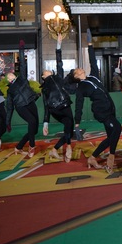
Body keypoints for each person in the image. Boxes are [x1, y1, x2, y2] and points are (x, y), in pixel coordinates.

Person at [74, 29, 120, 173]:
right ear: (76, 75)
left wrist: (90, 45)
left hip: (110, 107)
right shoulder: (80, 87)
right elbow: (79, 104)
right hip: (102, 111)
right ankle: (97, 157)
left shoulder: (93, 77)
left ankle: (109, 158)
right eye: (78, 69)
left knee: (112, 134)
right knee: (117, 129)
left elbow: (93, 61)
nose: (81, 68)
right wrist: (77, 122)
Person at [41, 34, 75, 163]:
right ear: (43, 77)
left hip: (64, 105)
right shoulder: (45, 87)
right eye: (45, 72)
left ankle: (55, 149)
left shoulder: (58, 77)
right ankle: (69, 148)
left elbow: (59, 62)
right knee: (69, 127)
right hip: (57, 108)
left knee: (69, 129)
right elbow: (45, 105)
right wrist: (45, 123)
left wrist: (58, 45)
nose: (47, 71)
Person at [5, 40, 41, 157]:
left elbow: (23, 65)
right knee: (31, 122)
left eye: (11, 74)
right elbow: (9, 107)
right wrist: (8, 122)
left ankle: (19, 146)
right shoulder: (10, 90)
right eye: (9, 76)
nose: (11, 75)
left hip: (30, 103)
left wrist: (21, 50)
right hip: (21, 107)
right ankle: (31, 145)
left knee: (34, 130)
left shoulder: (22, 79)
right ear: (9, 80)